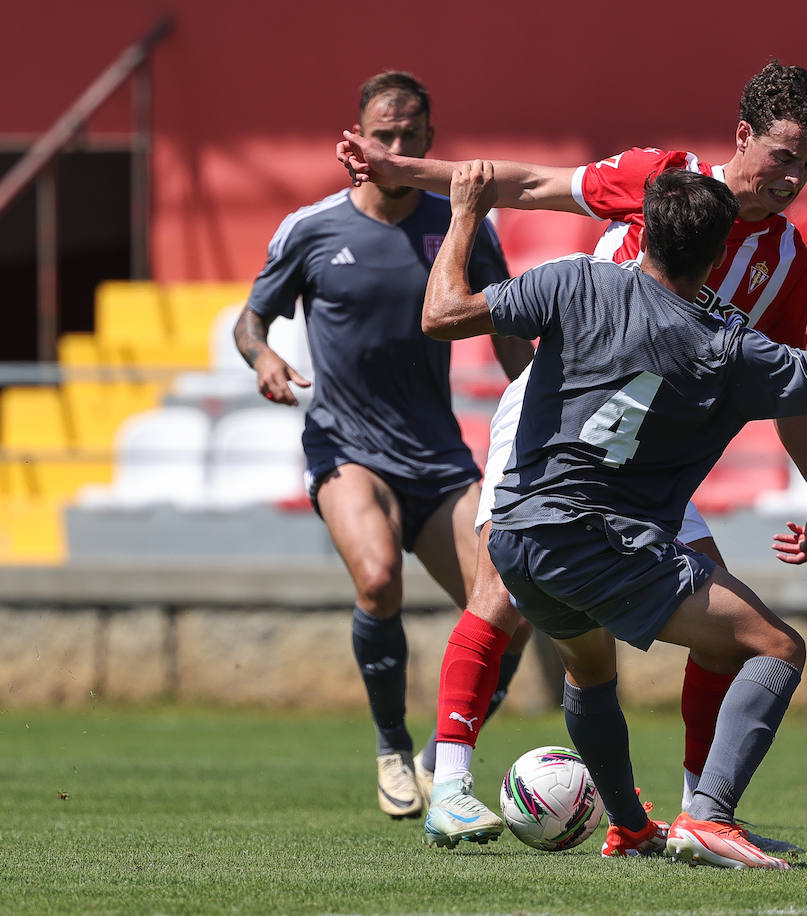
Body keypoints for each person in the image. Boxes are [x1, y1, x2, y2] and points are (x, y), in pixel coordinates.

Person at [425, 162, 807, 869]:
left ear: (640, 230)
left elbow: (440, 316)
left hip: (519, 533)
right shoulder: (725, 346)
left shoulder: (571, 279)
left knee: (589, 672)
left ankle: (630, 827)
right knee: (777, 648)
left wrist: (466, 213)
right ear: (717, 259)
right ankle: (707, 815)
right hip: (602, 539)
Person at [340, 61, 807, 851]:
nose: (795, 177)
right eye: (785, 155)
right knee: (501, 591)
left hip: (648, 460)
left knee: (723, 620)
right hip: (553, 422)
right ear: (743, 135)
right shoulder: (658, 179)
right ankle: (453, 790)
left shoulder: (787, 263)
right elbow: (532, 184)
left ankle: (696, 814)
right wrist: (410, 171)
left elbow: (792, 386)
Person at [234, 70, 533, 822]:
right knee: (376, 580)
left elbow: (508, 340)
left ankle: (441, 755)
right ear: (360, 140)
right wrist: (264, 357)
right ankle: (391, 747)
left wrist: (549, 404)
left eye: (411, 136)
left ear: (431, 143)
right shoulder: (311, 228)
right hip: (347, 447)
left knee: (515, 604)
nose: (398, 147)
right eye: (385, 135)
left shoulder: (461, 225)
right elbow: (251, 320)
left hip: (438, 456)